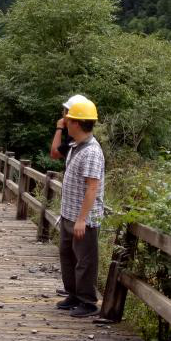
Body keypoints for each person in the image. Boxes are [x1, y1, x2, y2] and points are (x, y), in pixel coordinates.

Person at [55, 98, 104, 318]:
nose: (65, 120)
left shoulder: (91, 151)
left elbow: (92, 188)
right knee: (68, 255)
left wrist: (82, 219)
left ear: (76, 122)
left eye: (68, 118)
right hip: (68, 213)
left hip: (82, 218)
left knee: (85, 260)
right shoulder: (76, 146)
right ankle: (73, 294)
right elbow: (55, 151)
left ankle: (87, 301)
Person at [50, 94, 89, 161]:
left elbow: (54, 154)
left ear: (69, 115)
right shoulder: (77, 136)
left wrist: (59, 128)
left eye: (64, 112)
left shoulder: (74, 138)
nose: (62, 114)